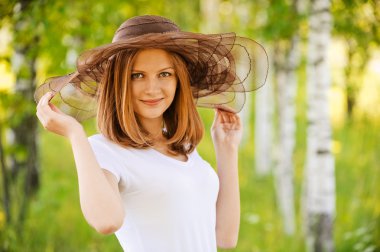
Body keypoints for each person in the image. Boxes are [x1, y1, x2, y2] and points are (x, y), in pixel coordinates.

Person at [35, 15, 268, 252]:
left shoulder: (184, 148)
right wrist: (75, 135)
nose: (152, 88)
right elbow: (106, 221)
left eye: (164, 74)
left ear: (179, 80)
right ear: (119, 83)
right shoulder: (104, 149)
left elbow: (225, 237)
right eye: (137, 76)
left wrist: (227, 148)